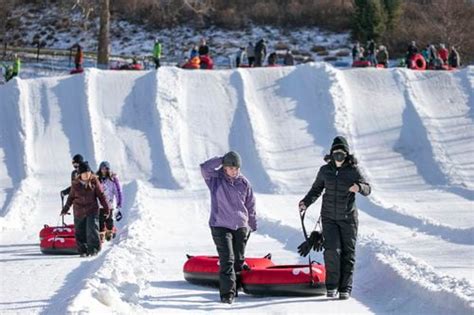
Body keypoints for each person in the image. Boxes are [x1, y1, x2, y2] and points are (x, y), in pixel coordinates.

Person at [298, 136, 371, 300]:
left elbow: (368, 188)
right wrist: (305, 202)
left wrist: (358, 187)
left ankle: (345, 288)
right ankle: (331, 286)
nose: (339, 155)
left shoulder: (353, 171)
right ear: (331, 153)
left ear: (346, 154)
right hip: (329, 218)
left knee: (347, 253)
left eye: (342, 152)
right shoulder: (325, 171)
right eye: (336, 152)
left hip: (348, 219)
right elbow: (316, 189)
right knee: (331, 251)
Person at [200, 151, 257, 304]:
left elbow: (250, 204)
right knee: (227, 260)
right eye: (230, 167)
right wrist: (221, 159)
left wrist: (251, 223)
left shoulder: (244, 183)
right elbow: (204, 168)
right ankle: (227, 294)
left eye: (236, 168)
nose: (234, 170)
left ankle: (237, 286)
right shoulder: (215, 180)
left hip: (240, 226)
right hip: (220, 225)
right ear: (224, 168)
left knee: (238, 260)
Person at [61, 161, 110, 257]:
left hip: (92, 209)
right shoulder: (75, 184)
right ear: (80, 174)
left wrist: (107, 208)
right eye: (85, 173)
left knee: (92, 229)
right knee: (80, 231)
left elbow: (101, 196)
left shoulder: (94, 181)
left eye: (88, 173)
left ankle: (93, 249)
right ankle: (82, 250)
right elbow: (70, 197)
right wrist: (65, 209)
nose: (87, 175)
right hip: (78, 210)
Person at [96, 161, 123, 241]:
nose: (104, 170)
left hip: (109, 204)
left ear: (108, 169)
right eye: (102, 169)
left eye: (106, 169)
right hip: (100, 204)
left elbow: (117, 191)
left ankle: (109, 231)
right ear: (100, 169)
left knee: (109, 219)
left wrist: (119, 202)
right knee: (100, 219)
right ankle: (101, 234)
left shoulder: (112, 180)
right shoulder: (97, 179)